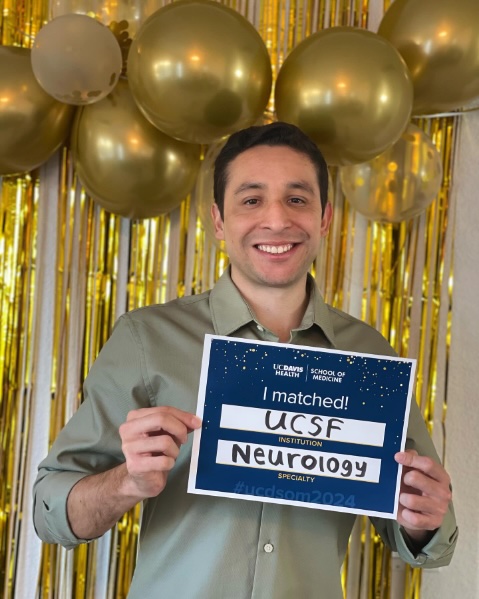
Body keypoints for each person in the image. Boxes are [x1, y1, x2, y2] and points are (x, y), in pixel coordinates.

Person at [33, 122, 457, 599]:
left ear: (325, 218)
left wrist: (425, 517)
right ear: (218, 221)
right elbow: (50, 510)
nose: (276, 220)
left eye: (297, 199)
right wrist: (126, 483)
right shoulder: (146, 337)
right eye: (251, 200)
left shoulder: (369, 355)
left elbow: (431, 543)